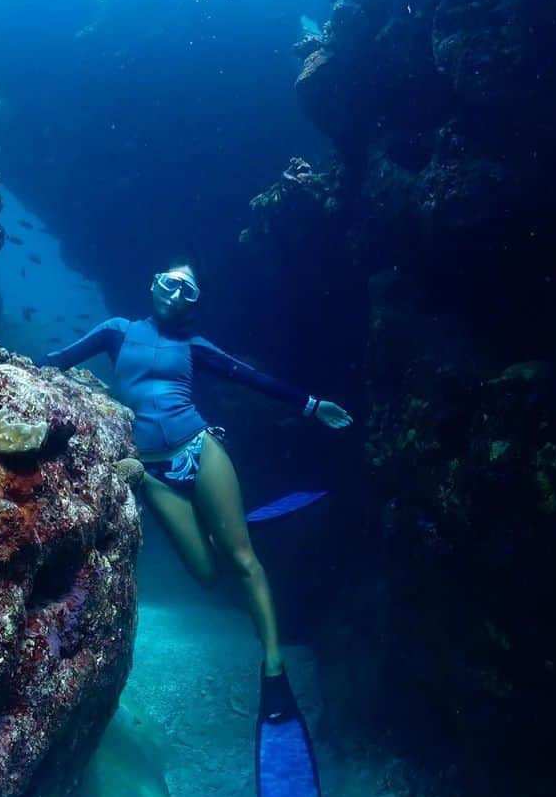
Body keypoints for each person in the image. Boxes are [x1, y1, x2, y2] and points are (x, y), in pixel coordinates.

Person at [45, 260, 352, 708]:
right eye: (170, 284)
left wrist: (312, 405)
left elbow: (250, 377)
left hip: (199, 449)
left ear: (194, 305)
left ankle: (272, 666)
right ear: (153, 284)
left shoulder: (195, 345)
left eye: (188, 292)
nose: (175, 294)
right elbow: (59, 362)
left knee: (243, 559)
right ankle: (224, 523)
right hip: (151, 472)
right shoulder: (117, 330)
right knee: (207, 574)